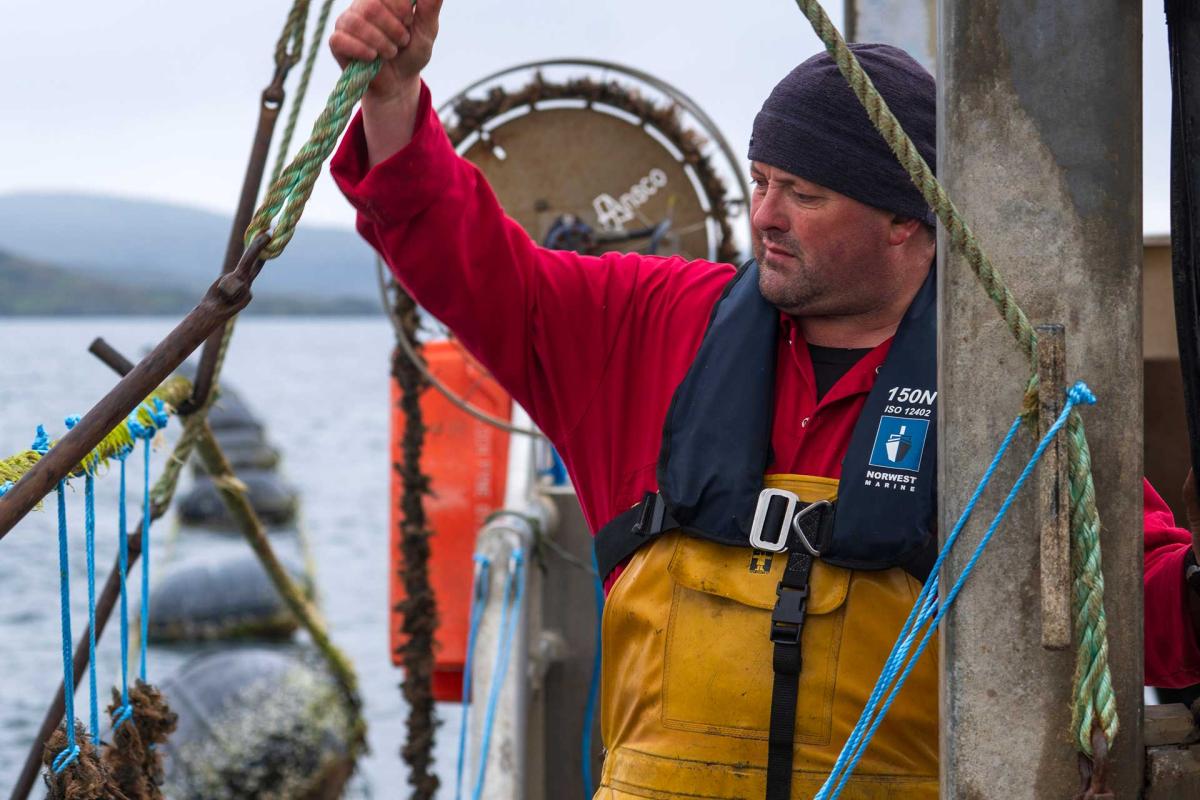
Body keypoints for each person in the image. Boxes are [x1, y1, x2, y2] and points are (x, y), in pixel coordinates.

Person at [328, 1, 1200, 797]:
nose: (765, 214)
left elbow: (1132, 601)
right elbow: (467, 258)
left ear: (908, 219)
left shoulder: (1010, 395)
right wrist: (394, 97)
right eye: (762, 179)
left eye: (805, 194)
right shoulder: (645, 327)